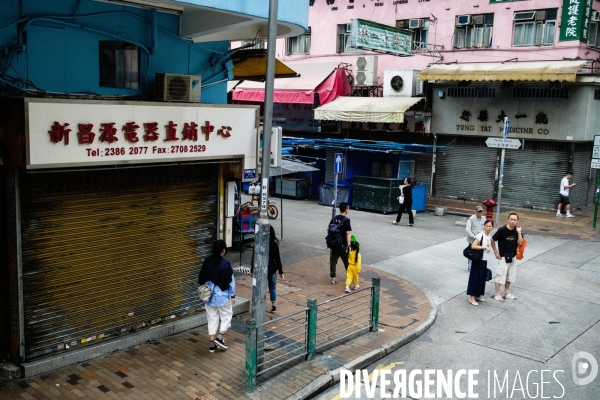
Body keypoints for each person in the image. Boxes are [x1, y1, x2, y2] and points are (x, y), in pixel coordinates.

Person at [197, 240, 236, 353]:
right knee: (227, 315)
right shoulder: (226, 265)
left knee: (212, 318)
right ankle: (220, 337)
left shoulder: (207, 261)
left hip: (208, 296)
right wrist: (232, 295)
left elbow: (201, 278)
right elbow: (231, 282)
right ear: (223, 251)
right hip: (222, 296)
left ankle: (212, 344)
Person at [490, 213, 524, 302]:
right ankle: (497, 294)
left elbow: (520, 242)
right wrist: (495, 252)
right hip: (503, 256)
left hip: (512, 256)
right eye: (511, 219)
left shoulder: (517, 230)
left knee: (510, 276)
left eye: (515, 220)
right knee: (500, 275)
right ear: (508, 220)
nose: (513, 221)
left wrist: (519, 232)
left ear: (517, 221)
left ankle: (506, 293)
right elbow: (493, 240)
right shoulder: (502, 230)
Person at [251, 225, 284, 313]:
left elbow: (254, 258)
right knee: (272, 287)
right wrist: (281, 271)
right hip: (272, 269)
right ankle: (273, 305)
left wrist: (252, 270)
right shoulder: (274, 245)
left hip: (261, 269)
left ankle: (259, 304)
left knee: (260, 287)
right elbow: (277, 259)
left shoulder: (258, 243)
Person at [467, 220, 494, 306]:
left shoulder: (488, 235)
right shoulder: (480, 235)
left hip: (484, 260)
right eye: (487, 226)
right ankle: (471, 297)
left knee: (481, 278)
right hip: (478, 259)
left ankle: (477, 295)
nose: (488, 228)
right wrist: (484, 247)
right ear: (484, 226)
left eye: (490, 226)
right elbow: (473, 246)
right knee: (475, 278)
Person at [328, 202, 352, 284]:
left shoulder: (334, 218)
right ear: (346, 209)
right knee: (346, 261)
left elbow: (328, 228)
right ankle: (349, 276)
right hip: (343, 244)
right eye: (348, 208)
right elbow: (348, 233)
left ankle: (333, 277)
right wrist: (349, 245)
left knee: (333, 260)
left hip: (334, 243)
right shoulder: (346, 220)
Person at [466, 205, 486, 271]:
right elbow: (468, 230)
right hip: (473, 239)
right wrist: (475, 237)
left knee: (480, 253)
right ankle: (470, 267)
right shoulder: (471, 219)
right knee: (471, 253)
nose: (480, 213)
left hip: (481, 240)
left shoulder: (484, 219)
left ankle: (477, 265)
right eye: (478, 211)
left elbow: (486, 228)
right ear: (475, 212)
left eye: (481, 211)